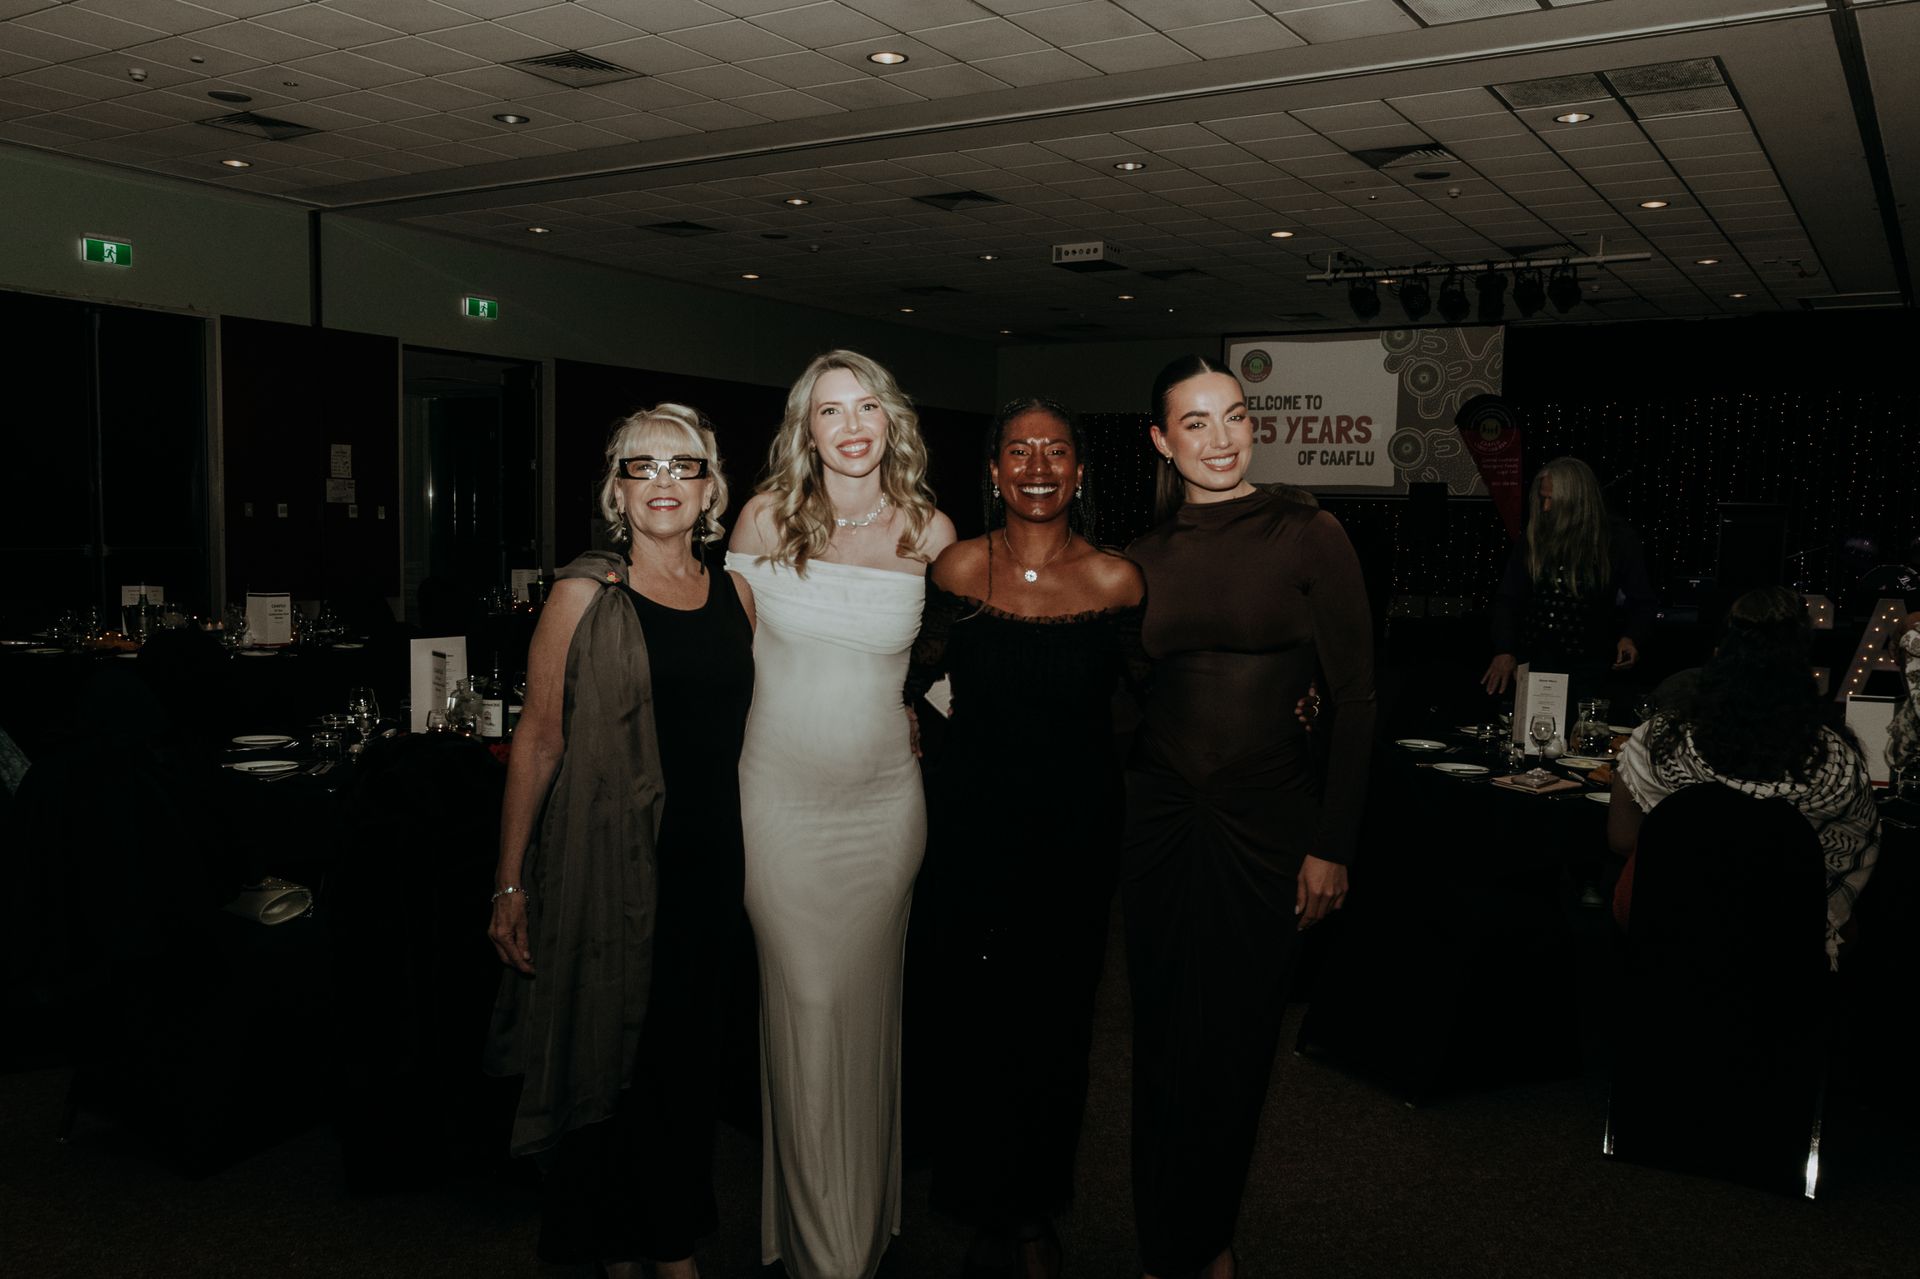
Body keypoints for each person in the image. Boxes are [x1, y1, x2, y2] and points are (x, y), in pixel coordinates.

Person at [486, 405, 755, 1279]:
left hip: (709, 867)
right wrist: (509, 881)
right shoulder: (583, 594)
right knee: (615, 1060)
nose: (665, 483)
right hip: (610, 865)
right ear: (618, 489)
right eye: (645, 467)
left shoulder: (736, 594)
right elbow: (539, 738)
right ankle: (633, 1250)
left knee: (683, 1064)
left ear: (711, 488)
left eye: (684, 466)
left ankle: (667, 1236)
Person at [1124, 355, 1375, 1279]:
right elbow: (1122, 703)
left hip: (1271, 831)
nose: (1221, 439)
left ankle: (1208, 1242)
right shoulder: (1138, 558)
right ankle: (1162, 1247)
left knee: (1231, 1048)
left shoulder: (1308, 533)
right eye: (1196, 423)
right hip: (1158, 826)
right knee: (1157, 1041)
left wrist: (1332, 844)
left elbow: (1356, 701)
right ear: (1162, 439)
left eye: (1234, 417)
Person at [725, 350, 955, 1279]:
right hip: (776, 804)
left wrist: (922, 713)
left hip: (881, 811)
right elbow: (728, 657)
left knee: (865, 1013)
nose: (851, 425)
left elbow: (963, 669)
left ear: (891, 421)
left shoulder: (931, 531)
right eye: (830, 412)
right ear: (804, 430)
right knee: (808, 1006)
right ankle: (828, 1251)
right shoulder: (762, 517)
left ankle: (857, 1224)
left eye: (867, 407)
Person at [906, 397, 1145, 1279]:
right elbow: (911, 682)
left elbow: (1164, 700)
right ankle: (984, 1202)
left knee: (1058, 1028)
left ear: (1080, 471)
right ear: (994, 470)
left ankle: (1035, 1207)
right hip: (973, 834)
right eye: (1020, 451)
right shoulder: (960, 569)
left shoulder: (1120, 579)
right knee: (975, 1023)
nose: (1037, 466)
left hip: (1076, 838)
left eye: (1056, 451)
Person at [1607, 586, 1879, 970]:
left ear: (1721, 654)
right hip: (1782, 943)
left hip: (1672, 931)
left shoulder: (1661, 741)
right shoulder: (1837, 762)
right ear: (1802, 661)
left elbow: (1621, 840)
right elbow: (1846, 858)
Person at [1482, 456, 1657, 701]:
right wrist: (1504, 649)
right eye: (1543, 498)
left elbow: (1643, 602)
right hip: (1535, 663)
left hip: (1590, 671)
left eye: (1552, 499)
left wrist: (1632, 637)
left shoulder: (1616, 539)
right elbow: (1508, 598)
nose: (1545, 507)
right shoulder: (1535, 537)